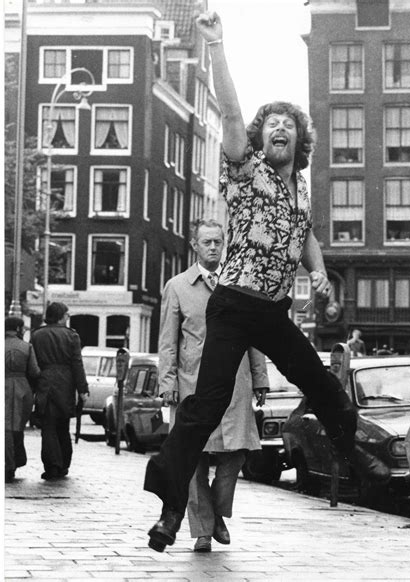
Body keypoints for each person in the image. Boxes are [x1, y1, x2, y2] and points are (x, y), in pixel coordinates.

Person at [144, 11, 390, 553]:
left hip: (274, 310)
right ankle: (170, 508)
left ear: (301, 137)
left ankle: (353, 455)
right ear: (261, 135)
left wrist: (320, 272)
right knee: (203, 408)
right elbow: (230, 112)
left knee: (321, 382)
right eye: (271, 122)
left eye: (289, 123)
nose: (280, 127)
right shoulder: (243, 167)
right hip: (232, 305)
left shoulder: (301, 187)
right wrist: (219, 47)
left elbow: (305, 237)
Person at [158, 218, 269, 552]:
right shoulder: (177, 287)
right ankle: (204, 530)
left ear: (225, 244)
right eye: (206, 242)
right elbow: (168, 341)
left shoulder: (239, 286)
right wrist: (167, 383)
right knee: (193, 462)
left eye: (217, 242)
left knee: (236, 454)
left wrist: (260, 377)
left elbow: (255, 336)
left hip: (235, 386)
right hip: (192, 387)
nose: (212, 247)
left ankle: (219, 512)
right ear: (195, 245)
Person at [30, 302, 88, 480]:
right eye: (67, 315)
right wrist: (82, 390)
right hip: (65, 384)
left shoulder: (37, 335)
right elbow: (77, 364)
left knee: (48, 426)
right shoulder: (71, 336)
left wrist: (32, 388)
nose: (68, 318)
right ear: (60, 316)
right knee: (63, 426)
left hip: (44, 383)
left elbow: (32, 364)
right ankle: (63, 464)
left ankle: (51, 465)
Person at [5, 317, 41, 483]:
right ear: (18, 328)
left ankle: (8, 463)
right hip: (21, 389)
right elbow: (34, 372)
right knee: (16, 427)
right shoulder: (27, 347)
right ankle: (13, 463)